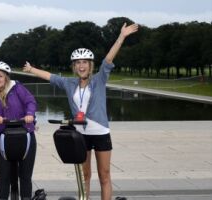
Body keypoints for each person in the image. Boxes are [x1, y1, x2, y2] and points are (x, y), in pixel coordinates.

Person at [23, 23, 139, 200]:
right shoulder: (69, 83)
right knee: (85, 175)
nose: (81, 65)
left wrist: (121, 37)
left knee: (104, 175)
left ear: (90, 65)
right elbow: (50, 77)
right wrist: (31, 69)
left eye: (84, 62)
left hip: (100, 132)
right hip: (80, 135)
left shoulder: (99, 80)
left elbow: (108, 60)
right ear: (74, 66)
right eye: (77, 63)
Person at [0, 61, 37, 200]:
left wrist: (30, 114)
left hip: (26, 137)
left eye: (0, 76)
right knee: (4, 176)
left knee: (25, 176)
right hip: (4, 140)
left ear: (6, 78)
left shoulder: (17, 88)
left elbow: (30, 100)